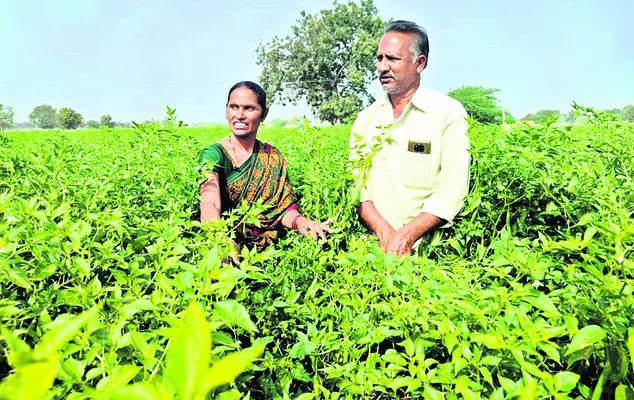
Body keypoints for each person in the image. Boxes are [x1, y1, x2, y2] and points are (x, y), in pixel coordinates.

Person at [349, 20, 470, 257]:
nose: (382, 67)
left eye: (392, 59)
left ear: (420, 63)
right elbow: (359, 188)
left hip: (430, 250)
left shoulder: (447, 114)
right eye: (379, 58)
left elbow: (452, 189)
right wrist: (385, 235)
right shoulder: (365, 119)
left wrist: (406, 236)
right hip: (372, 247)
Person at [199, 81, 333, 251]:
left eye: (249, 108)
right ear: (226, 110)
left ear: (264, 114)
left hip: (267, 252)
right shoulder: (213, 155)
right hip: (226, 249)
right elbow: (209, 202)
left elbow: (282, 209)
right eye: (234, 107)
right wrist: (219, 239)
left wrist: (302, 222)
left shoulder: (272, 157)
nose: (239, 115)